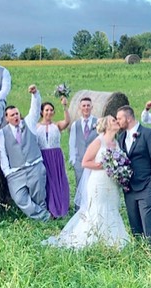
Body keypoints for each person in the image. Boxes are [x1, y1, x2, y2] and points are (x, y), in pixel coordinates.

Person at [43, 116, 130, 249]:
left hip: (112, 184)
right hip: (98, 183)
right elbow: (85, 162)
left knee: (112, 208)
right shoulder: (98, 141)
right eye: (114, 120)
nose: (117, 122)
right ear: (106, 125)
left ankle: (112, 239)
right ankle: (92, 238)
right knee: (97, 209)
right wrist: (104, 165)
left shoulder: (116, 142)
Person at [0, 85, 50, 221]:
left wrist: (35, 94)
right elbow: (3, 153)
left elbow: (35, 109)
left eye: (17, 114)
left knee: (39, 196)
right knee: (19, 198)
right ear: (6, 118)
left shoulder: (29, 123)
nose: (16, 116)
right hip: (16, 172)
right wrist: (7, 172)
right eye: (12, 115)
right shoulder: (2, 133)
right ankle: (43, 216)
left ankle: (44, 221)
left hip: (35, 166)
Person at [117, 105, 151, 245]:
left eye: (119, 118)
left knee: (148, 219)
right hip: (129, 186)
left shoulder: (149, 134)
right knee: (134, 220)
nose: (117, 121)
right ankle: (139, 248)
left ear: (128, 118)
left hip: (146, 184)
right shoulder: (120, 137)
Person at [36, 97, 71, 218]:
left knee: (58, 180)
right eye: (46, 110)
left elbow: (67, 121)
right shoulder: (36, 126)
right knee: (46, 181)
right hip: (43, 156)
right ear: (42, 112)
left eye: (51, 110)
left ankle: (61, 206)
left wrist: (65, 106)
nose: (49, 112)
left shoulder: (57, 125)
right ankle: (48, 208)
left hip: (55, 157)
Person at [68, 96, 98, 209]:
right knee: (79, 186)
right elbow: (72, 143)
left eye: (88, 106)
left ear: (92, 107)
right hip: (80, 162)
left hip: (93, 161)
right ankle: (79, 210)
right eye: (84, 106)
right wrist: (73, 160)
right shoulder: (76, 124)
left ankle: (92, 208)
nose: (86, 108)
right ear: (80, 108)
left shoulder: (98, 122)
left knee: (93, 186)